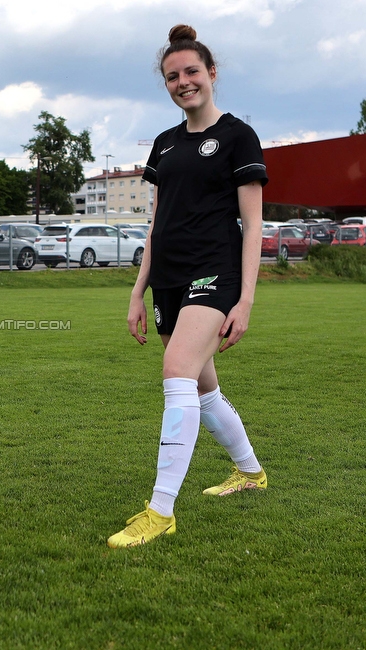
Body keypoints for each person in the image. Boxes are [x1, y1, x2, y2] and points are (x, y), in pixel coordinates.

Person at [108, 25, 269, 549]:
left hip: (215, 272)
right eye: (172, 76)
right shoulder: (164, 144)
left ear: (212, 73)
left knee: (176, 372)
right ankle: (249, 471)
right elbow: (157, 223)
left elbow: (253, 224)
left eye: (192, 71)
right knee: (203, 388)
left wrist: (245, 298)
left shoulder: (238, 136)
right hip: (170, 280)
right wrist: (138, 289)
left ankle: (160, 510)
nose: (183, 82)